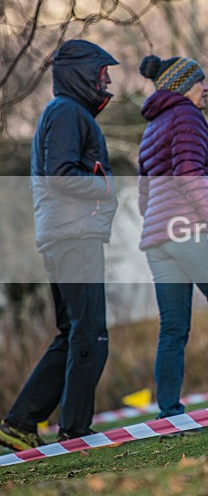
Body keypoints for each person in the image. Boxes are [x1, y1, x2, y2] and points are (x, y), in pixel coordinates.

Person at [0, 40, 119, 450]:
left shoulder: (66, 112)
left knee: (72, 333)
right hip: (73, 237)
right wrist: (106, 185)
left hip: (63, 235)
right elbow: (61, 174)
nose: (108, 82)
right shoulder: (67, 112)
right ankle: (75, 430)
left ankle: (20, 423)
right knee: (90, 335)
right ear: (83, 74)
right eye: (103, 73)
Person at [137, 54, 208, 419]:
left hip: (157, 238)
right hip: (190, 229)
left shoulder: (152, 127)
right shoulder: (186, 116)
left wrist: (161, 222)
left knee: (173, 327)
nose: (206, 87)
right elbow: (189, 174)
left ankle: (168, 412)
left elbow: (143, 195)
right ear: (183, 86)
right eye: (200, 81)